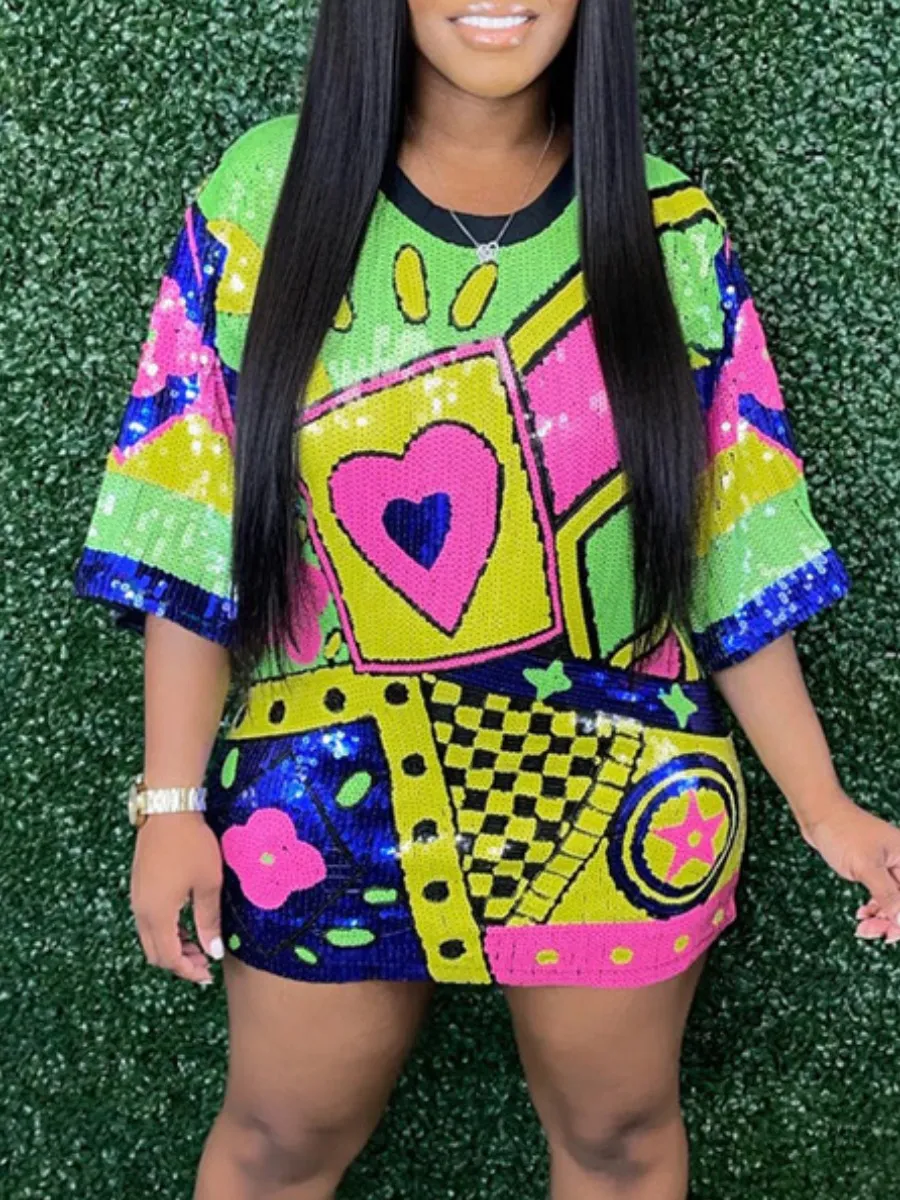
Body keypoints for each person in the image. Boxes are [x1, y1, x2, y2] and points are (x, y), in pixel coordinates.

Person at [71, 2, 900, 1197]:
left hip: (624, 789)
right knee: (276, 1141)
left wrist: (825, 807)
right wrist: (169, 803)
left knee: (618, 1142)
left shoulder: (668, 227)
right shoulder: (262, 196)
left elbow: (731, 549)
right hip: (326, 790)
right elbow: (188, 519)